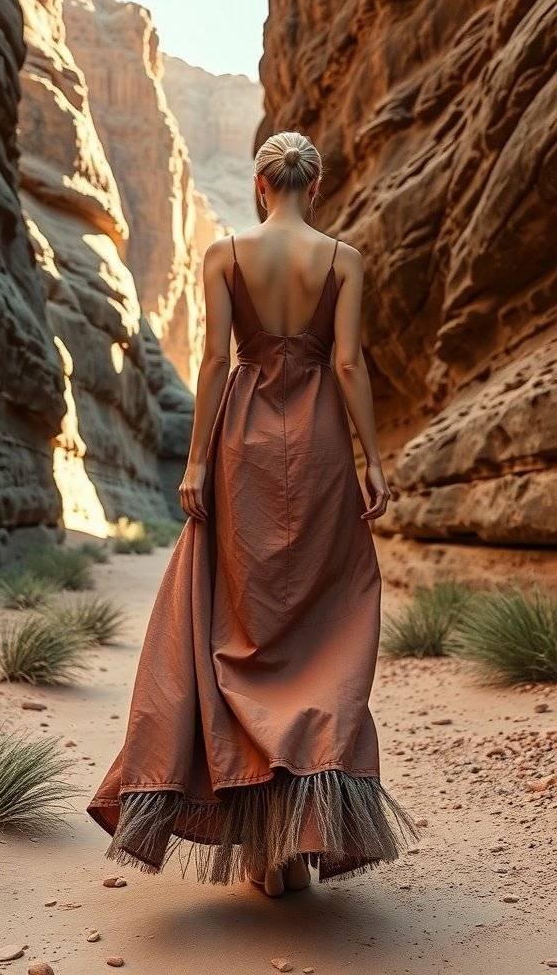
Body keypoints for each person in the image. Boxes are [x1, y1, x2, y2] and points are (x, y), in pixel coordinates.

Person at [87, 130, 419, 898]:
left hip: (242, 450)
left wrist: (197, 461)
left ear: (262, 185)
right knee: (316, 630)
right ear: (316, 185)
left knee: (239, 626)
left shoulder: (226, 255)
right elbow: (345, 363)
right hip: (321, 450)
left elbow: (211, 360)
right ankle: (291, 839)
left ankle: (265, 848)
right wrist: (372, 459)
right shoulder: (343, 259)